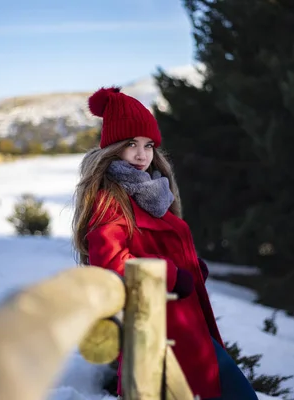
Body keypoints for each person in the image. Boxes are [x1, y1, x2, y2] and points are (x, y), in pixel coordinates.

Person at [72, 87, 258, 400]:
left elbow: (152, 245)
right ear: (113, 148)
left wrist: (191, 267)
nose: (141, 154)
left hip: (181, 317)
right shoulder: (111, 199)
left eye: (148, 145)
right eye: (131, 144)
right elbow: (112, 263)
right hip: (154, 324)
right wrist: (172, 275)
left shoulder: (152, 193)